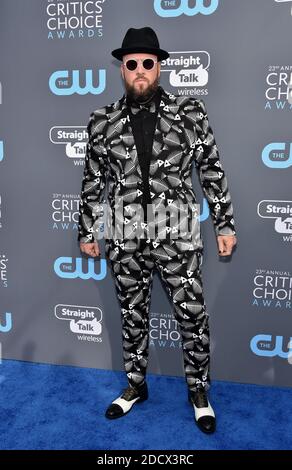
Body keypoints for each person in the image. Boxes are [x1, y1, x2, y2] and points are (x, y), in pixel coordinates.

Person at [78, 26, 237, 434]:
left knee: (192, 317)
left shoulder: (190, 113)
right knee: (132, 315)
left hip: (178, 235)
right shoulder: (101, 121)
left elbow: (211, 169)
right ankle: (134, 386)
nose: (140, 71)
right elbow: (93, 180)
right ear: (122, 71)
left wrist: (224, 222)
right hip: (124, 236)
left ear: (159, 67)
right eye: (131, 64)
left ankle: (199, 392)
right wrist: (87, 230)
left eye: (147, 63)